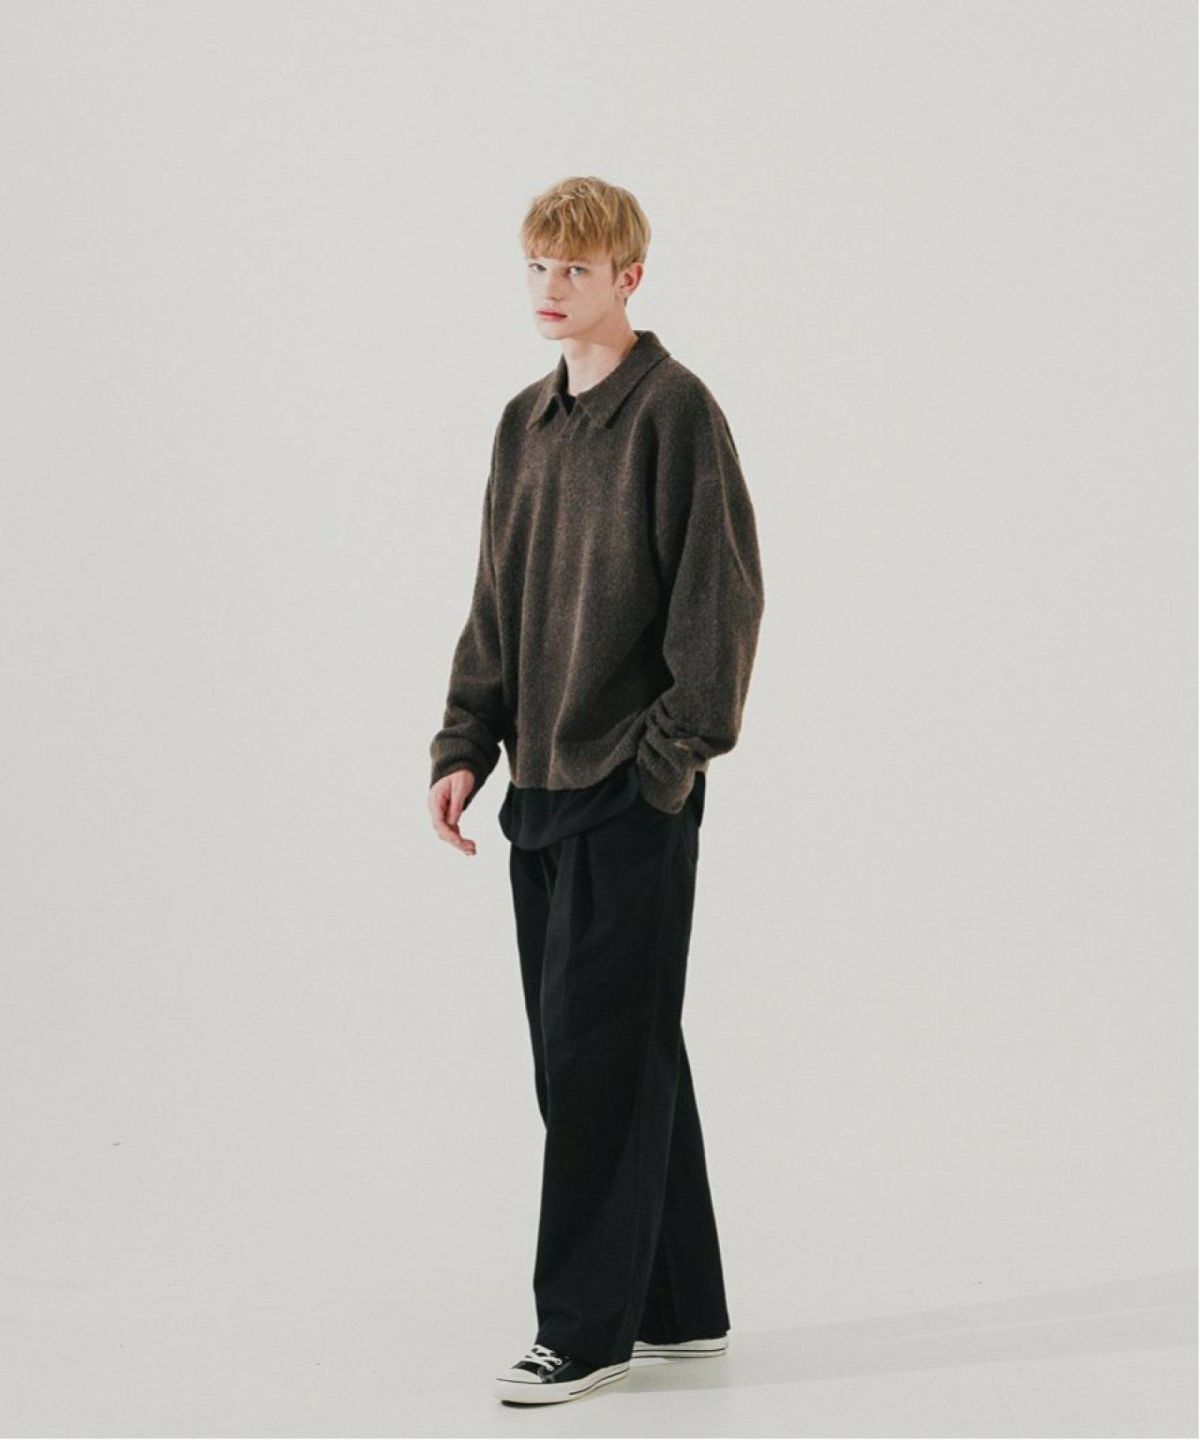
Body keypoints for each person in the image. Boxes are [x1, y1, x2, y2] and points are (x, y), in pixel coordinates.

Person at [427, 175, 765, 1406]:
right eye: (537, 265)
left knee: (597, 1056)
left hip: (632, 788)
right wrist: (465, 741)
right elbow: (495, 598)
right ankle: (677, 1304)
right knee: (604, 1050)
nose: (551, 287)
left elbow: (721, 606)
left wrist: (666, 763)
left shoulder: (675, 413)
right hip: (542, 786)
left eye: (575, 268)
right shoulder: (524, 425)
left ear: (629, 276)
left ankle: (584, 1330)